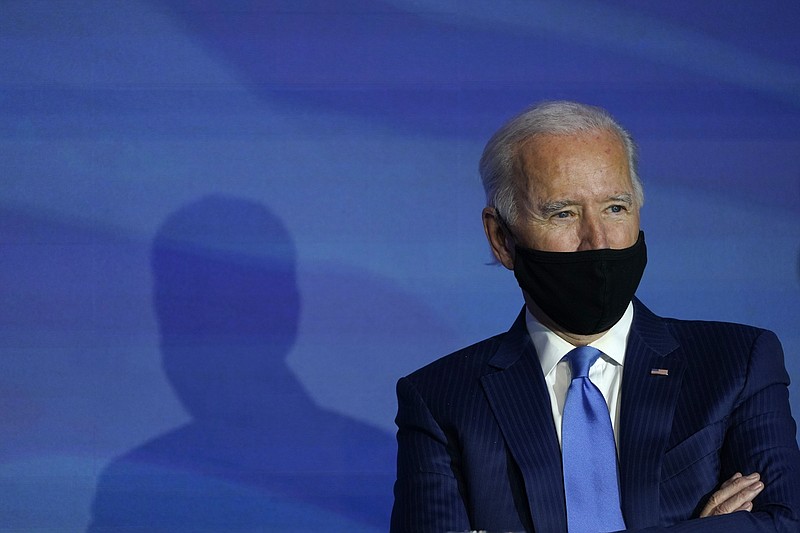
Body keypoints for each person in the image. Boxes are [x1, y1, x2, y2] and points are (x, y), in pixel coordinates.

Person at [390, 101, 800, 532]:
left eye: (616, 208)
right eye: (563, 213)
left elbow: (784, 523)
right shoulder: (441, 400)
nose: (598, 241)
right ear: (501, 237)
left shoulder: (737, 362)